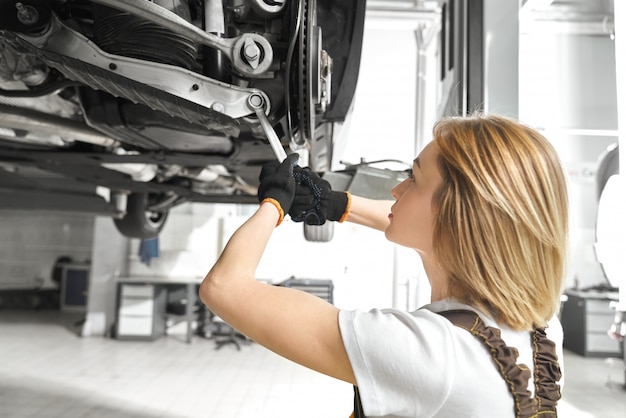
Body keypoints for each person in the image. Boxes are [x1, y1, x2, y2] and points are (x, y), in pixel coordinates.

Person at [199, 113, 568, 417]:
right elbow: (409, 218)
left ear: (457, 216)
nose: (396, 190)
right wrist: (334, 203)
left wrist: (273, 205)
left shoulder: (430, 353)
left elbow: (225, 289)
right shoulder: (540, 324)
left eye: (413, 178)